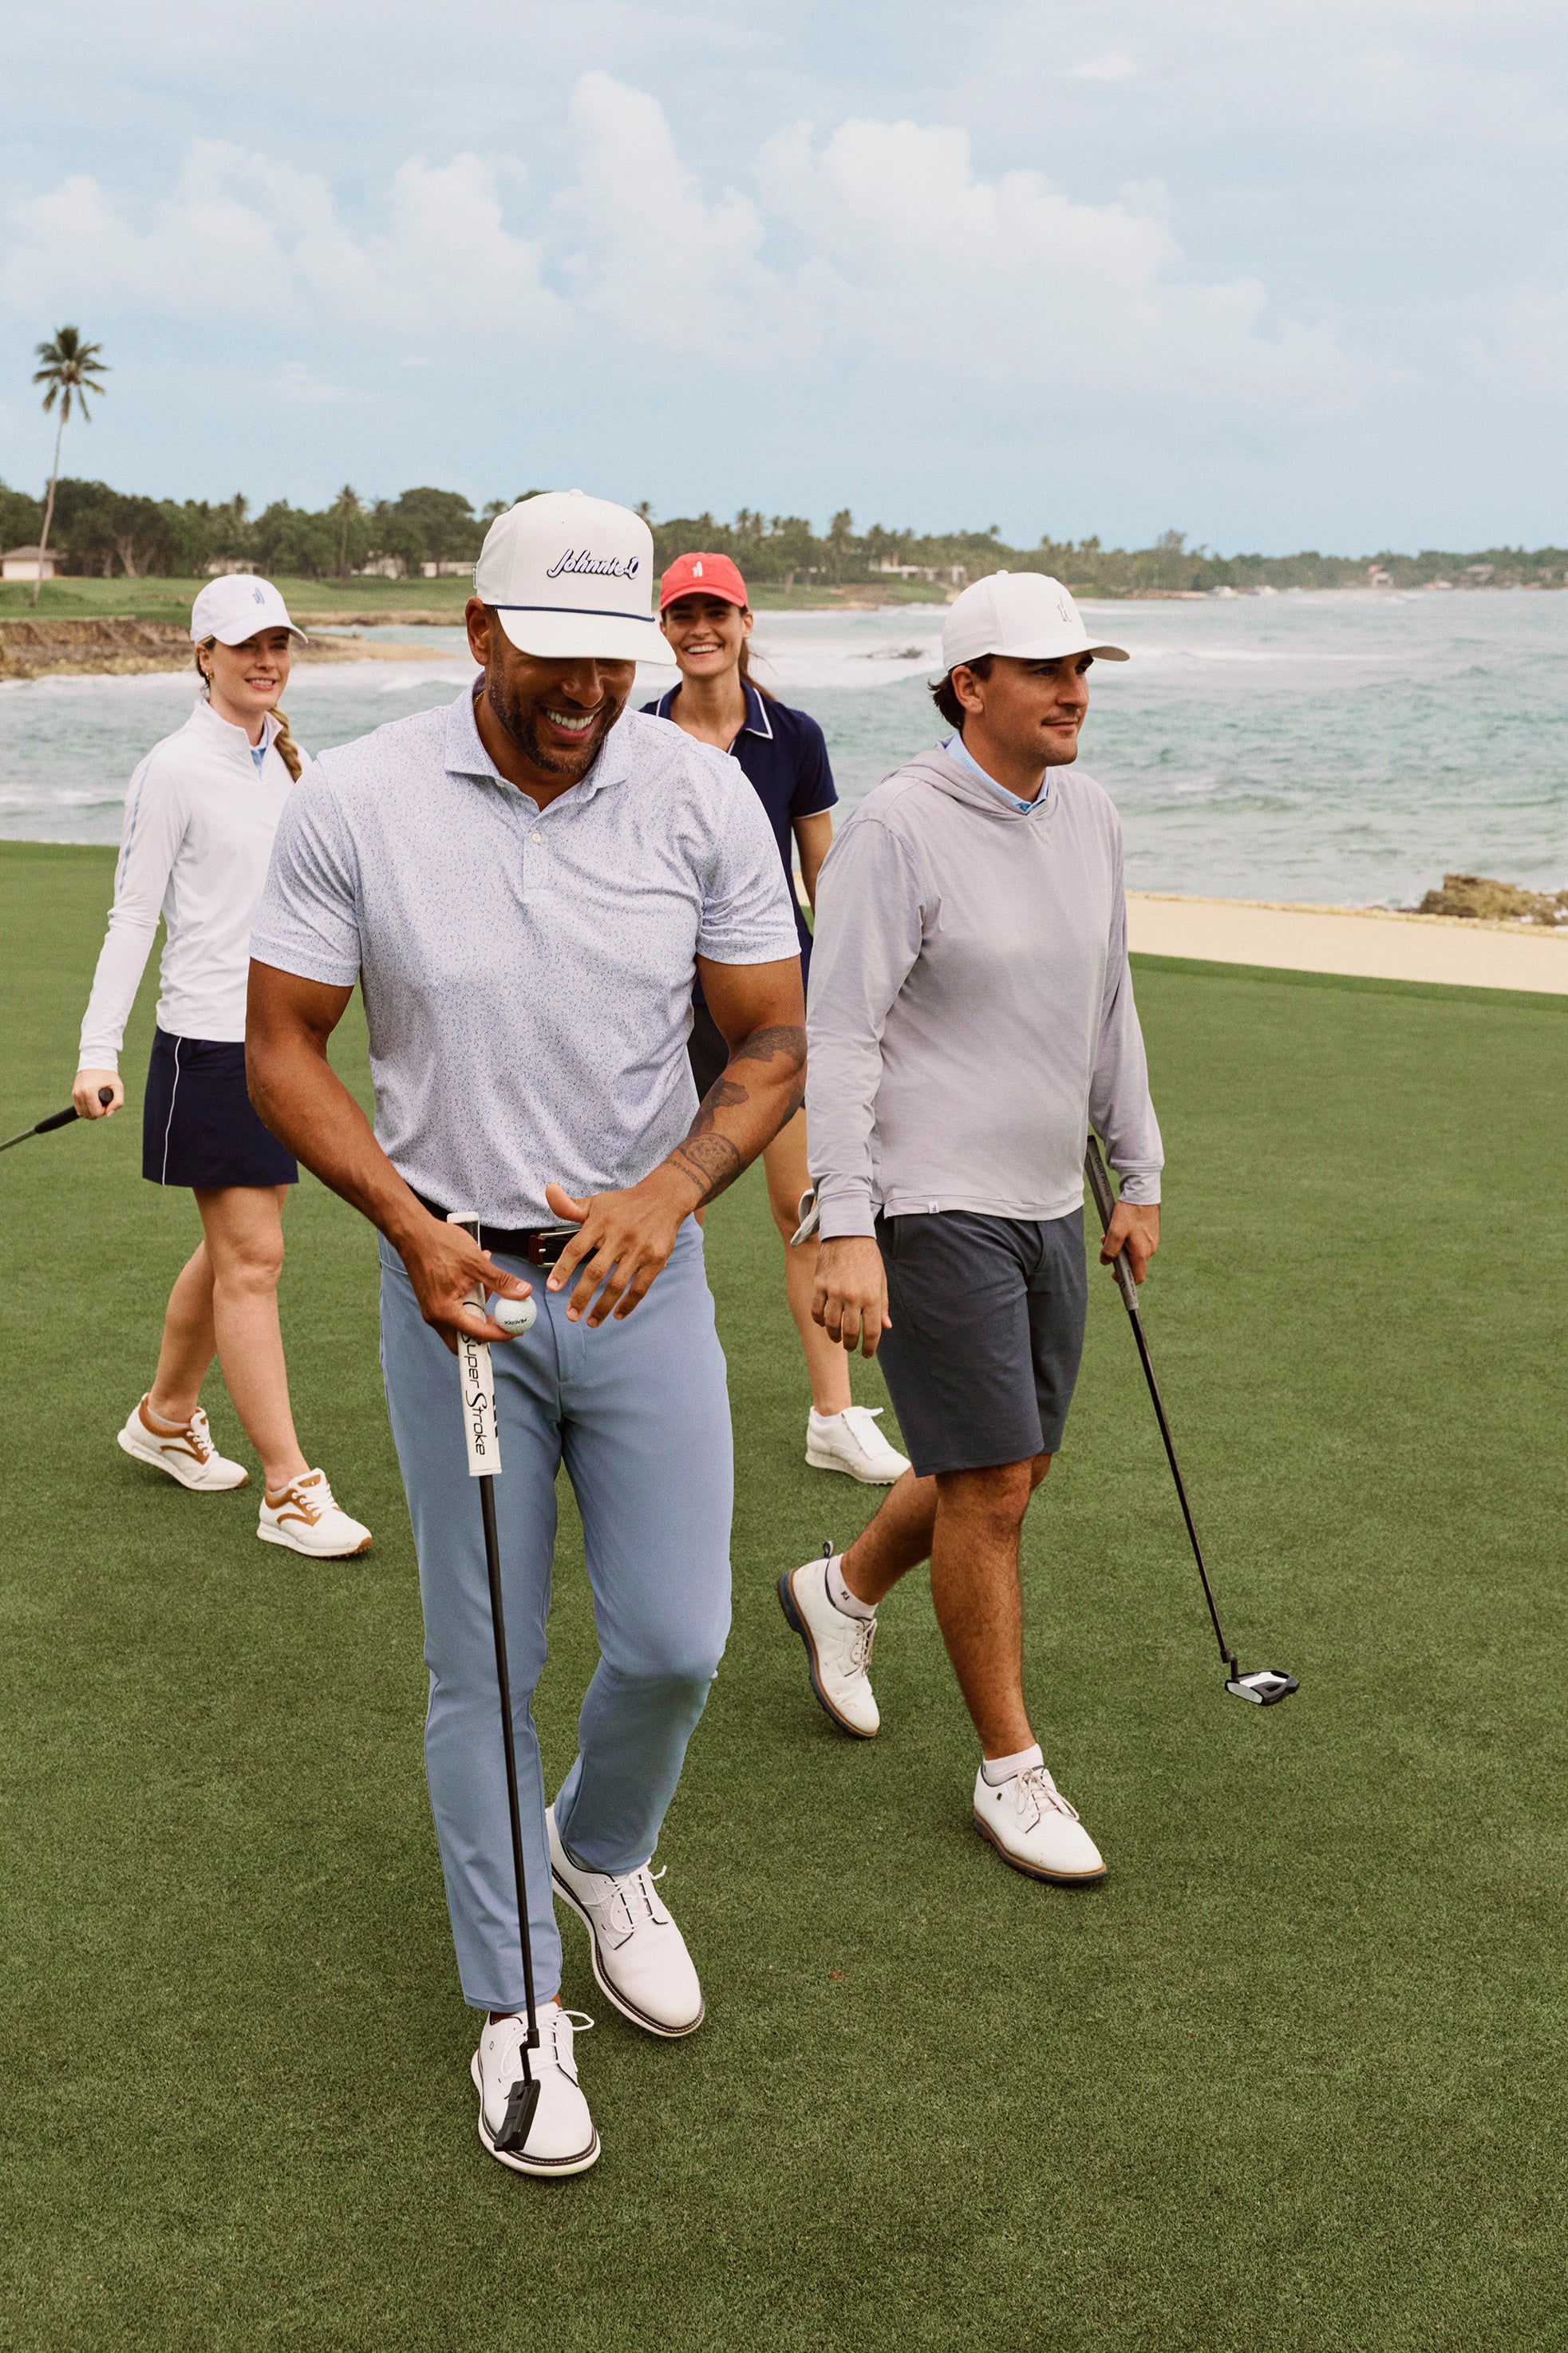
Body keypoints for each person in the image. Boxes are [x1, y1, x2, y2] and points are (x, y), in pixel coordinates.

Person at [245, 490, 804, 2178]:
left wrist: (678, 1186)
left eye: (612, 661)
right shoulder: (354, 798)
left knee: (678, 1639)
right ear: (478, 633)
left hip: (643, 1278)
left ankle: (600, 1847)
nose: (588, 690)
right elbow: (280, 1045)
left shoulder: (698, 792)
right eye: (555, 657)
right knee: (482, 1662)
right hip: (460, 1292)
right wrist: (407, 1230)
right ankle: (516, 2011)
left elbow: (771, 1041)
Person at [777, 571, 1163, 1885]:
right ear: (968, 686)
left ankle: (838, 1590)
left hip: (1053, 1197)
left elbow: (1108, 998)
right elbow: (841, 1030)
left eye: (1083, 668)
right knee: (993, 1480)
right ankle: (1011, 1770)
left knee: (1008, 1461)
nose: (1074, 691)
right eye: (1046, 670)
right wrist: (843, 1223)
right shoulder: (898, 828)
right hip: (929, 1199)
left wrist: (1141, 1170)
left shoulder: (1093, 814)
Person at [73, 575, 371, 1560]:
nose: (266, 659)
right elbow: (131, 915)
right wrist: (95, 1050)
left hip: (281, 1041)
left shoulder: (291, 763)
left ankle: (165, 1415)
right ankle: (288, 1487)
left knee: (238, 1244)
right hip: (207, 1042)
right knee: (252, 1258)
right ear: (202, 654)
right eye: (244, 644)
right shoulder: (172, 769)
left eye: (278, 642)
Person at [645, 552, 909, 1488]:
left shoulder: (793, 735)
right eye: (683, 614)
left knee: (804, 1208)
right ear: (664, 627)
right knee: (655, 1198)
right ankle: (624, 1401)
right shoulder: (636, 736)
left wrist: (857, 992)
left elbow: (825, 875)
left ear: (747, 621)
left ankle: (833, 1414)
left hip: (774, 1004)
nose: (700, 628)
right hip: (660, 1005)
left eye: (716, 611)